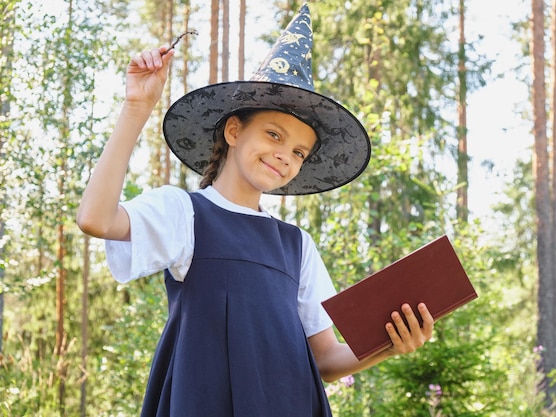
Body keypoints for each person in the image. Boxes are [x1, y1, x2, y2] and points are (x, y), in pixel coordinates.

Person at [76, 5, 434, 417]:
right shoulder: (184, 213)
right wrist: (137, 108)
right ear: (233, 131)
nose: (284, 155)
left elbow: (326, 361)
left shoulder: (297, 245)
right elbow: (96, 219)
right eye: (273, 134)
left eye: (298, 151)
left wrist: (390, 343)